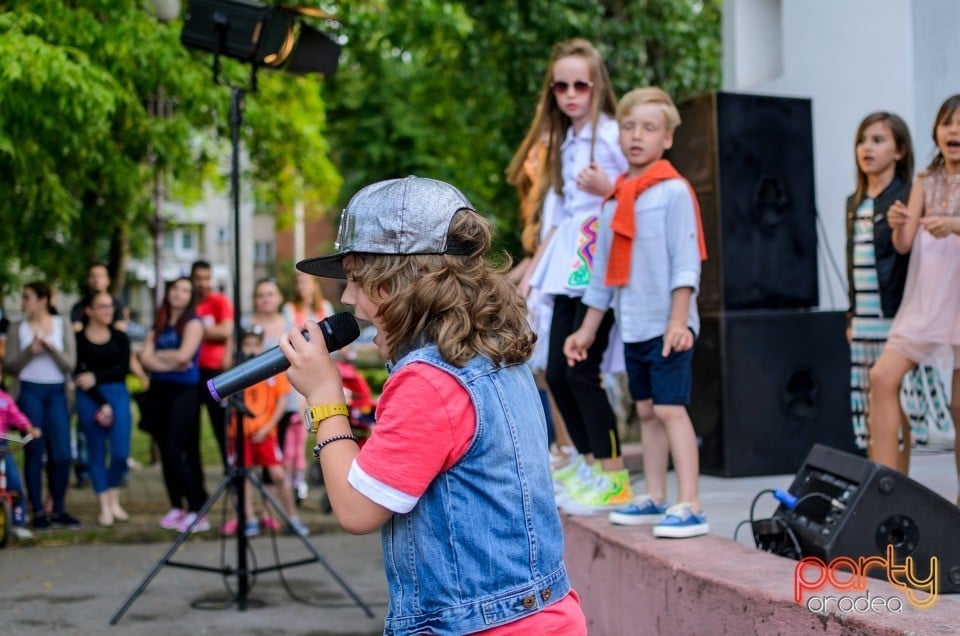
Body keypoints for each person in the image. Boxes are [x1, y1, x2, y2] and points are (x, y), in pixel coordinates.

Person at [280, 176, 587, 635]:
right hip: (544, 614)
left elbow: (356, 509)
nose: (348, 299)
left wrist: (325, 396)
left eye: (357, 279)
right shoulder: (495, 354)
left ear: (401, 283)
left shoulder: (430, 381)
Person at [564, 87, 709, 538]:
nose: (636, 136)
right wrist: (586, 330)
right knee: (646, 411)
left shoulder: (672, 192)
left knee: (670, 409)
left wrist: (678, 321)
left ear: (667, 138)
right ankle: (655, 496)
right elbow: (604, 277)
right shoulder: (615, 201)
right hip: (634, 327)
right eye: (629, 127)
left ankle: (690, 502)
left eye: (649, 128)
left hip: (669, 327)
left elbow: (687, 261)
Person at [513, 38, 631, 513]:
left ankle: (614, 474)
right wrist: (533, 274)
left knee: (583, 370)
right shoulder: (566, 141)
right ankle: (588, 464)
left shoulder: (614, 135)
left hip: (601, 264)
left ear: (598, 85)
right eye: (560, 85)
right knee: (559, 373)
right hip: (567, 266)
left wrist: (613, 188)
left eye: (580, 83)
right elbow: (558, 219)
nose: (570, 93)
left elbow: (646, 191)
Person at [868, 94, 960, 500]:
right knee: (881, 377)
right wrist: (896, 224)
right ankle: (884, 490)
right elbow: (904, 244)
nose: (953, 131)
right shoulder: (925, 178)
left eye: (959, 124)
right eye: (946, 123)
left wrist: (955, 225)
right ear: (936, 131)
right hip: (924, 301)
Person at [846, 112, 914, 453]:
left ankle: (894, 487)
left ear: (899, 150)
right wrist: (851, 315)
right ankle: (876, 484)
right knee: (871, 407)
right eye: (862, 140)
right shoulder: (854, 203)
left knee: (895, 403)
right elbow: (853, 264)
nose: (866, 147)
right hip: (864, 320)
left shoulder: (905, 198)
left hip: (895, 317)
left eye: (878, 139)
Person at [4, 281, 80, 529]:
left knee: (62, 453)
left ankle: (57, 507)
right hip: (29, 390)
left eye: (27, 298)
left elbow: (70, 364)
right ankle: (37, 510)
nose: (23, 303)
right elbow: (10, 367)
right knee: (34, 450)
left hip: (57, 391)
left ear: (42, 300)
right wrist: (30, 350)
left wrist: (51, 348)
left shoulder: (62, 325)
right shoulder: (18, 328)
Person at [221, 328, 309, 537]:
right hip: (240, 434)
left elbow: (281, 402)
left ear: (262, 345)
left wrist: (268, 427)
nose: (251, 349)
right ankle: (249, 517)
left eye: (255, 344)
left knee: (278, 474)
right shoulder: (236, 370)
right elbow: (227, 400)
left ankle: (292, 517)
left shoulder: (270, 370)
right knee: (245, 476)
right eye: (247, 344)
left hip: (266, 433)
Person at [139, 277, 210, 532]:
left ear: (190, 296)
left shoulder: (193, 323)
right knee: (164, 449)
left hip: (185, 392)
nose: (179, 294)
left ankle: (197, 508)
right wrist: (168, 360)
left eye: (185, 290)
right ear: (168, 292)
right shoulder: (158, 323)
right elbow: (144, 359)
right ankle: (176, 506)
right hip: (159, 390)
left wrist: (157, 357)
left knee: (178, 449)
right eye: (175, 289)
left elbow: (184, 356)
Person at [241, 278, 299, 527]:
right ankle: (256, 514)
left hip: (282, 398)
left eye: (270, 294)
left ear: (278, 298)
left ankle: (270, 511)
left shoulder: (289, 326)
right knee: (253, 462)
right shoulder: (245, 326)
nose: (265, 298)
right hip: (253, 405)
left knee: (277, 461)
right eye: (261, 294)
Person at [74, 291, 133, 527]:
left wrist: (96, 377)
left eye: (110, 306)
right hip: (89, 397)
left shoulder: (120, 337)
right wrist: (101, 401)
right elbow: (79, 374)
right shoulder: (78, 340)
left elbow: (123, 369)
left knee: (120, 453)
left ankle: (114, 499)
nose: (108, 311)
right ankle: (104, 506)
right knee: (96, 451)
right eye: (102, 306)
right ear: (89, 310)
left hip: (117, 394)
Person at [191, 260, 234, 469]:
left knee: (222, 427)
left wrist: (193, 331)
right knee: (191, 429)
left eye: (206, 278)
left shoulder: (219, 301)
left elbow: (226, 331)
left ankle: (231, 472)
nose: (202, 283)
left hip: (215, 372)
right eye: (198, 278)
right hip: (191, 373)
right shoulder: (189, 304)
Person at [0, 385, 43, 540]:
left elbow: (16, 415)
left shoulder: (5, 399)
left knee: (14, 484)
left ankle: (18, 522)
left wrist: (29, 428)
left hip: (2, 446)